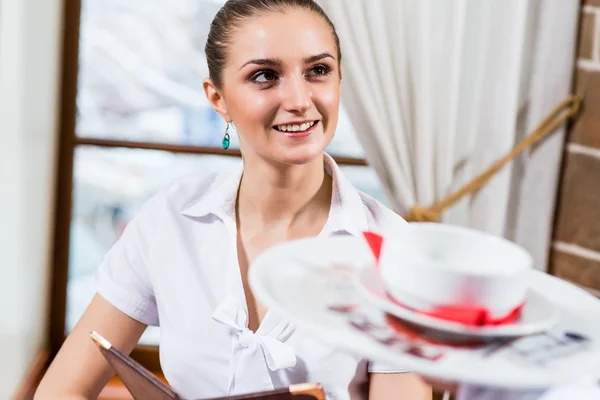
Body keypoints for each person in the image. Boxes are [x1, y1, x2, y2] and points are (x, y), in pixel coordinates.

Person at [34, 0, 431, 399]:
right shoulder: (169, 221)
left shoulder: (392, 251)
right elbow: (60, 390)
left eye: (318, 71)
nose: (298, 98)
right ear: (217, 99)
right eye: (264, 75)